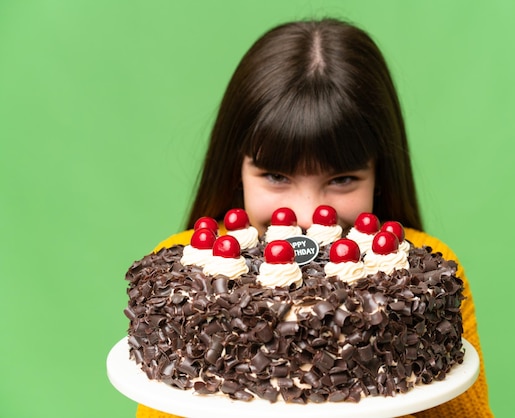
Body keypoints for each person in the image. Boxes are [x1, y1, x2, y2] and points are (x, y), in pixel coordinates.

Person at [136, 18, 492, 417]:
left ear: (379, 174)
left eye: (342, 179)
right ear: (235, 167)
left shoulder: (425, 270)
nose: (307, 214)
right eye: (275, 176)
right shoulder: (185, 272)